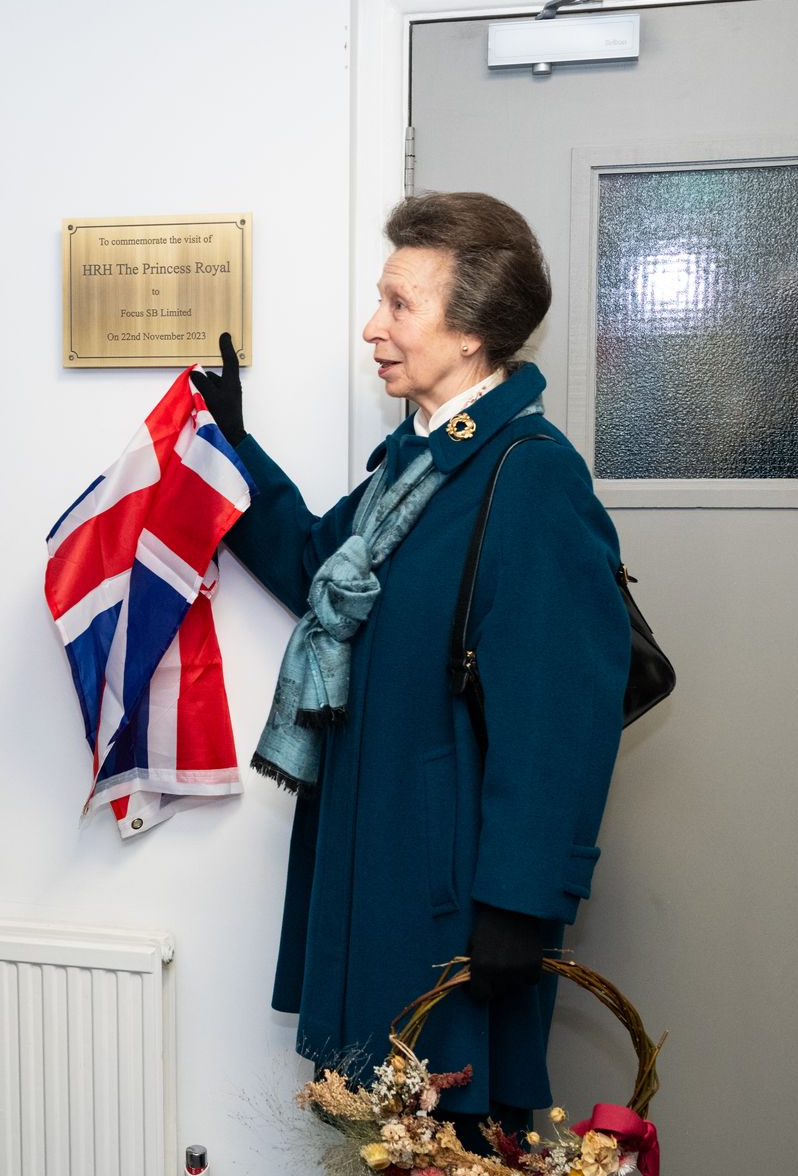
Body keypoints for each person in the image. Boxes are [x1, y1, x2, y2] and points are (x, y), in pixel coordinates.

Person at [192, 193, 628, 1139]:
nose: (373, 327)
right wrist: (234, 446)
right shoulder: (417, 463)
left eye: (399, 304)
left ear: (472, 333)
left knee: (454, 1137)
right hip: (378, 863)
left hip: (457, 896)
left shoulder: (530, 476)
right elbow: (317, 565)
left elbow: (562, 721)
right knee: (387, 1135)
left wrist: (519, 906)